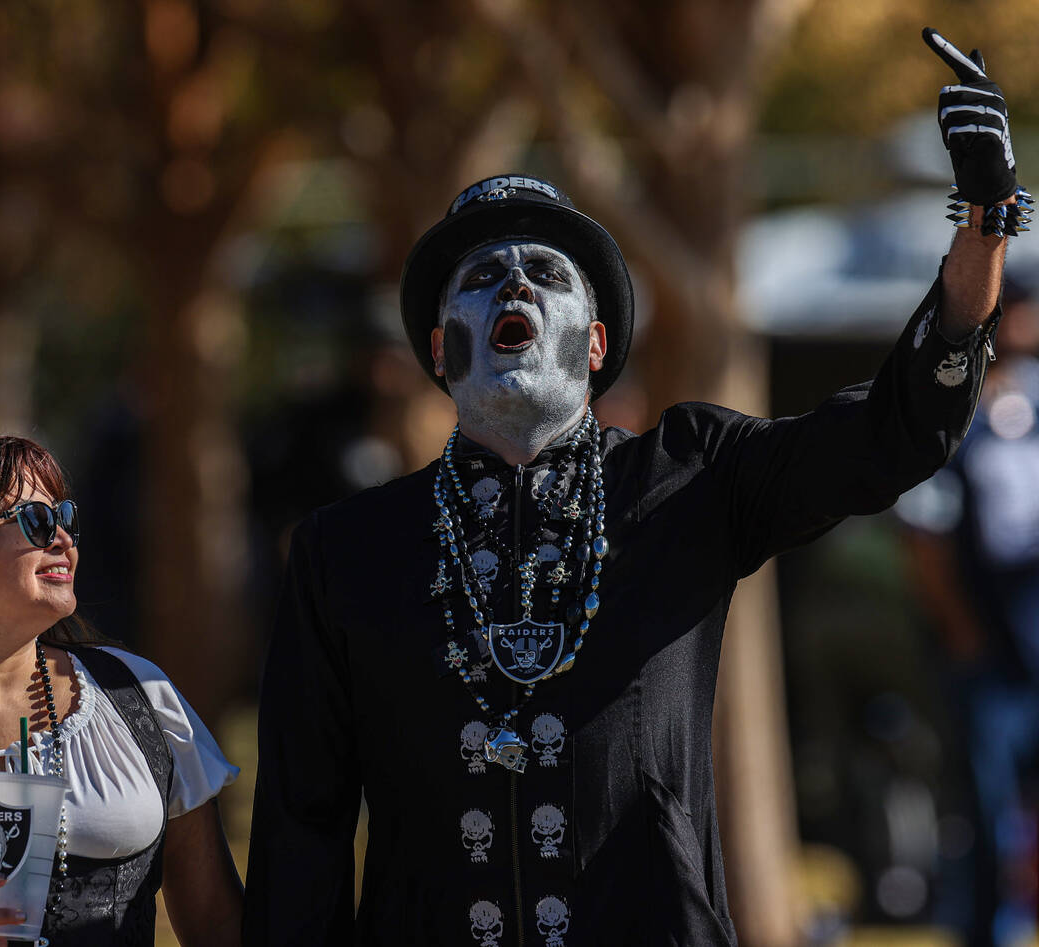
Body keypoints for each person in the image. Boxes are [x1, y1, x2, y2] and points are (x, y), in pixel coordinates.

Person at [244, 29, 1027, 946]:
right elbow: (301, 834)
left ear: (597, 344)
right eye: (482, 278)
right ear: (438, 350)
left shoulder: (690, 477)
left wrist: (983, 221)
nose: (515, 290)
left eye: (545, 273)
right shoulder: (349, 550)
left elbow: (892, 433)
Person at [0, 431, 244, 946]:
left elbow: (219, 925)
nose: (63, 539)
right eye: (34, 521)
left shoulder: (139, 695)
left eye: (65, 517)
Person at [898, 271, 1039, 946]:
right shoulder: (957, 412)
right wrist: (961, 635)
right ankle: (989, 928)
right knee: (987, 807)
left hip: (1033, 633)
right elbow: (924, 536)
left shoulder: (1035, 406)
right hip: (987, 649)